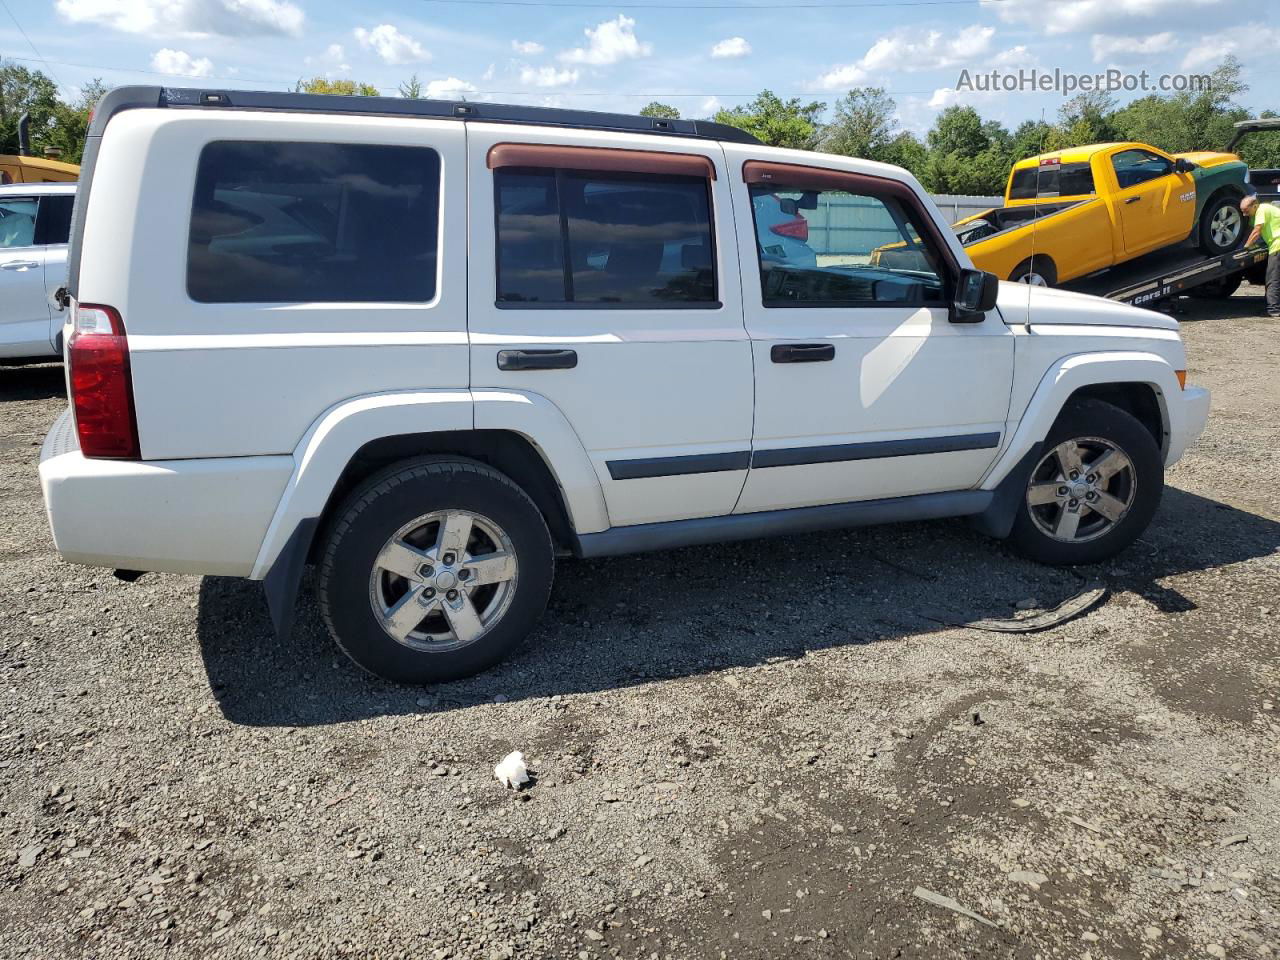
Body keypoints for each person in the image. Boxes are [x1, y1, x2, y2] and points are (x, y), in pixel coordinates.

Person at [1240, 193, 1280, 318]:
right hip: (1275, 244)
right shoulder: (1260, 211)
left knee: (1272, 279)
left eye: (1246, 211)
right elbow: (1250, 229)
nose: (1244, 214)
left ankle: (1274, 310)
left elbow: (1256, 231)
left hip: (1278, 245)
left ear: (1255, 205)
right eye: (1242, 211)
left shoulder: (1262, 210)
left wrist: (1246, 247)